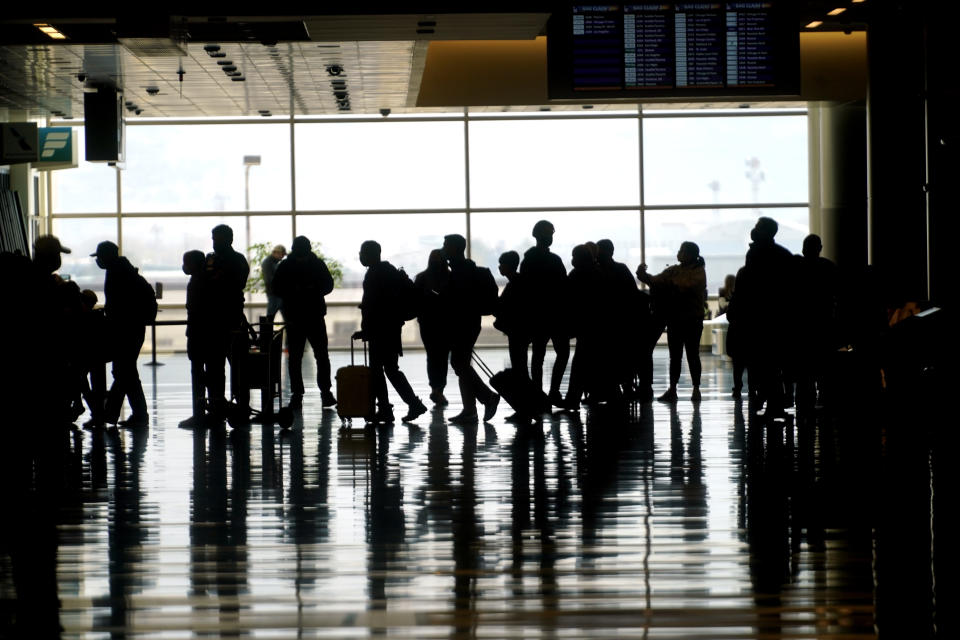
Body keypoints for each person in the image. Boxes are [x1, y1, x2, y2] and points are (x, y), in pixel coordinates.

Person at [353, 240, 428, 424]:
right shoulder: (389, 271)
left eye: (362, 252)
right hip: (391, 327)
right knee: (389, 369)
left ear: (371, 254)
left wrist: (366, 330)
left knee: (380, 370)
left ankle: (389, 408)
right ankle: (403, 405)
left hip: (381, 330)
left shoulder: (375, 274)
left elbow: (373, 307)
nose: (360, 256)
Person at [735, 217, 798, 416]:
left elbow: (749, 287)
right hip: (778, 318)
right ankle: (776, 401)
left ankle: (765, 399)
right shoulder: (783, 254)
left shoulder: (755, 254)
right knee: (775, 362)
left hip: (758, 319)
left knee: (761, 363)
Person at [636, 241, 707, 403]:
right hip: (678, 319)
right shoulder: (676, 270)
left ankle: (694, 388)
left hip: (690, 320)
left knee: (691, 355)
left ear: (690, 254)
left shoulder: (697, 272)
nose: (679, 252)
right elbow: (655, 281)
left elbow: (685, 285)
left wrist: (663, 282)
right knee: (676, 356)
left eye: (682, 250)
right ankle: (674, 389)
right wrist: (643, 275)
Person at [272, 235, 337, 409]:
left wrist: (294, 291)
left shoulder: (285, 266)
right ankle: (325, 392)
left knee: (295, 358)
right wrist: (313, 289)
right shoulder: (317, 264)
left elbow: (276, 288)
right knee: (321, 356)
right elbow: (328, 285)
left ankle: (297, 394)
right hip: (314, 315)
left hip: (294, 316)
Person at [91, 240, 151, 427]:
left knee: (123, 371)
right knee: (126, 372)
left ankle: (113, 414)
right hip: (132, 328)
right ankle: (129, 414)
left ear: (107, 256)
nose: (98, 261)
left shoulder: (118, 273)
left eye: (99, 257)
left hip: (125, 330)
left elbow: (119, 306)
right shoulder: (125, 271)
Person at [442, 233, 500, 424]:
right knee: (462, 363)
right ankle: (470, 409)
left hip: (462, 323)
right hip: (469, 322)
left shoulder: (459, 272)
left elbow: (454, 299)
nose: (443, 248)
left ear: (454, 248)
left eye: (446, 245)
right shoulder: (467, 269)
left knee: (459, 363)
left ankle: (486, 398)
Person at [519, 220, 569, 408]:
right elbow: (564, 288)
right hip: (555, 315)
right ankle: (553, 391)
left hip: (538, 315)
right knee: (561, 353)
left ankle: (538, 394)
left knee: (538, 356)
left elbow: (525, 289)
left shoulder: (529, 260)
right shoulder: (554, 260)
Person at [203, 224, 250, 421]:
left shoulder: (219, 261)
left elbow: (218, 285)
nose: (214, 243)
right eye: (213, 239)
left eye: (217, 239)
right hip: (231, 318)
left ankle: (219, 404)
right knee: (236, 365)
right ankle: (238, 405)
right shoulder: (237, 260)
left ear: (228, 239)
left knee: (219, 366)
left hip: (224, 320)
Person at [794, 233, 839, 409]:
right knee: (824, 365)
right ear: (819, 248)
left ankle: (804, 399)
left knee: (804, 369)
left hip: (802, 324)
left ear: (804, 249)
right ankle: (824, 398)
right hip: (824, 323)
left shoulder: (797, 268)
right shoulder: (829, 268)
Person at [414, 249, 452, 406]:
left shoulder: (422, 278)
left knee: (433, 356)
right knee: (442, 357)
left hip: (428, 323)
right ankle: (439, 389)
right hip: (445, 323)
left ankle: (436, 387)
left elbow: (415, 300)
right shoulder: (451, 277)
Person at [180, 250, 209, 427]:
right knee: (212, 373)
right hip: (208, 333)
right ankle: (212, 411)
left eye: (186, 262)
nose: (184, 266)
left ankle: (199, 413)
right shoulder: (207, 279)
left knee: (198, 373)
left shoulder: (198, 282)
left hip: (198, 333)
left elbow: (194, 308)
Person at [261, 244, 286, 321]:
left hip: (275, 292)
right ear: (275, 253)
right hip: (273, 293)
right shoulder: (268, 262)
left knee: (272, 314)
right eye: (281, 254)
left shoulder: (274, 262)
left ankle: (268, 331)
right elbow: (269, 279)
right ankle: (267, 331)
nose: (282, 256)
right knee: (271, 315)